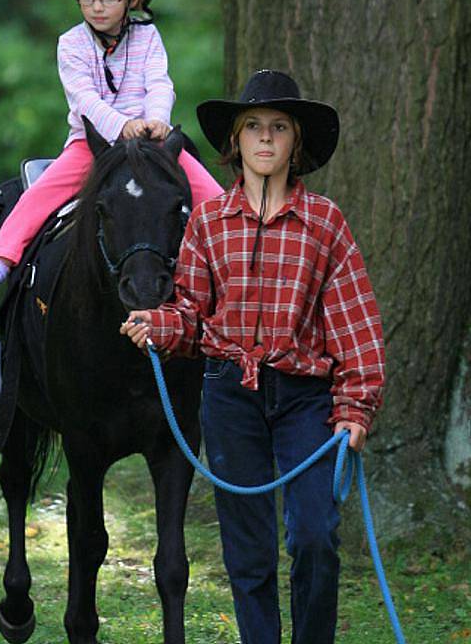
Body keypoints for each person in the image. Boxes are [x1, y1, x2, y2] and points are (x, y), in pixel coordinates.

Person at [120, 70, 385, 644]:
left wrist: (355, 408)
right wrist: (160, 322)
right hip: (229, 393)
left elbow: (354, 320)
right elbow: (191, 311)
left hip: (305, 399)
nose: (265, 140)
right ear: (235, 143)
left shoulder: (325, 223)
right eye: (253, 128)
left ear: (296, 143)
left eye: (279, 128)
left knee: (315, 533)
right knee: (248, 549)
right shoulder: (209, 223)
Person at [0, 0, 222, 311]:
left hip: (150, 144)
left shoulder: (148, 38)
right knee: (39, 195)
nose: (97, 6)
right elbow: (84, 99)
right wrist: (119, 126)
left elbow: (160, 82)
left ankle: (238, 269)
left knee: (213, 196)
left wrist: (158, 119)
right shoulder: (71, 44)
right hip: (92, 146)